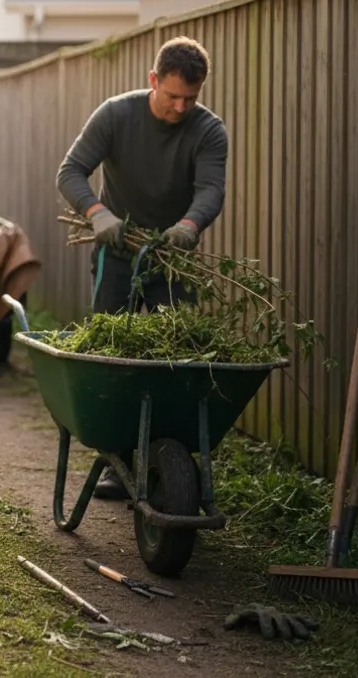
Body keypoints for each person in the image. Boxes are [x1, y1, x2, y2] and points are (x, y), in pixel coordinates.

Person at [55, 36, 229, 499]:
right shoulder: (116, 115)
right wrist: (98, 214)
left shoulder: (208, 130)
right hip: (117, 253)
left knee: (177, 357)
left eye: (190, 97)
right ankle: (116, 461)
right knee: (113, 355)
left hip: (171, 259)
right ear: (153, 79)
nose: (180, 107)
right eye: (172, 95)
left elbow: (211, 189)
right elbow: (70, 172)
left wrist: (189, 226)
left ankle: (169, 458)